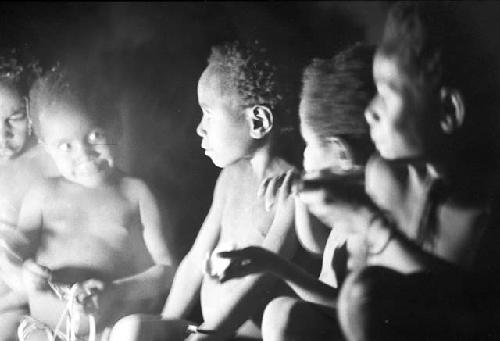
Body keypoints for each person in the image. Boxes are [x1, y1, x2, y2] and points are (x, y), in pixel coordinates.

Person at [297, 2, 500, 340]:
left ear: (448, 110)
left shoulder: (487, 209)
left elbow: (474, 316)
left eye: (386, 95)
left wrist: (371, 224)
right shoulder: (384, 176)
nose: (369, 111)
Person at [109, 40, 301, 341]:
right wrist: (164, 326)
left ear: (258, 121)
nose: (200, 128)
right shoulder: (230, 177)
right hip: (207, 334)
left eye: (208, 114)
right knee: (131, 330)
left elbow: (263, 279)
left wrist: (211, 335)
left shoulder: (289, 190)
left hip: (239, 337)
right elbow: (197, 258)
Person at [214, 43, 375, 341]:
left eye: (309, 144)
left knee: (281, 313)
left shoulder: (371, 218)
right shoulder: (348, 201)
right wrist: (300, 195)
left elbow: (348, 305)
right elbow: (317, 245)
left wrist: (275, 265)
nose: (304, 156)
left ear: (341, 153)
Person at [1, 66, 174, 340]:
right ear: (46, 146)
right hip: (44, 330)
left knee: (134, 331)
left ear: (115, 127)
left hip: (108, 329)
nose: (84, 154)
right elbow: (18, 250)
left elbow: (166, 271)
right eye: (65, 146)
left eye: (95, 135)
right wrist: (27, 274)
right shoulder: (42, 193)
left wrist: (116, 290)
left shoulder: (135, 193)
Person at [0, 50, 57, 341]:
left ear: (32, 113)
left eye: (15, 118)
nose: (3, 134)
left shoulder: (48, 158)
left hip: (34, 293)